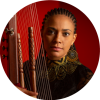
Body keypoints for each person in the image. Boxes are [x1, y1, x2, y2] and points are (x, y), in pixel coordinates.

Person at [14, 8, 94, 99]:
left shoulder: (83, 74)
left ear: (73, 39)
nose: (57, 39)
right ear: (42, 34)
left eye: (66, 34)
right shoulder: (25, 68)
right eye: (51, 32)